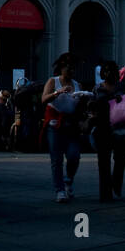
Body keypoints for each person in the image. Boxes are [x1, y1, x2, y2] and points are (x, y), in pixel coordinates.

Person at [91, 61, 125, 202]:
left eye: (112, 70)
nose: (109, 73)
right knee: (103, 162)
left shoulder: (122, 87)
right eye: (106, 70)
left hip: (119, 128)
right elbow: (92, 105)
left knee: (121, 159)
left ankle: (116, 182)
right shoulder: (98, 88)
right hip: (102, 127)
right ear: (103, 73)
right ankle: (105, 193)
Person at [42, 52, 82, 202]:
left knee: (74, 156)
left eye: (73, 68)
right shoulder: (53, 81)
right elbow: (43, 99)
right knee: (56, 159)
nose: (71, 71)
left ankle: (68, 180)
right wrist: (57, 93)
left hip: (71, 125)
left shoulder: (77, 85)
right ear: (62, 68)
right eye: (68, 68)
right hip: (55, 125)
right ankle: (59, 190)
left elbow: (79, 107)